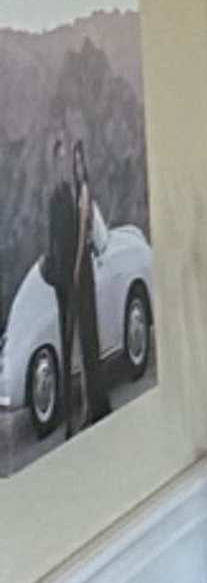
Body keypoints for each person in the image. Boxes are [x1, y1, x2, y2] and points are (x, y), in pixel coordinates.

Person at [40, 132, 105, 435]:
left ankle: (87, 409)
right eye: (63, 158)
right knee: (68, 345)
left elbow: (80, 235)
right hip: (65, 281)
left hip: (76, 276)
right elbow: (54, 240)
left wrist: (76, 268)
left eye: (70, 159)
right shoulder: (57, 196)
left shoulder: (74, 192)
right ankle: (71, 418)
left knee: (82, 340)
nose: (67, 164)